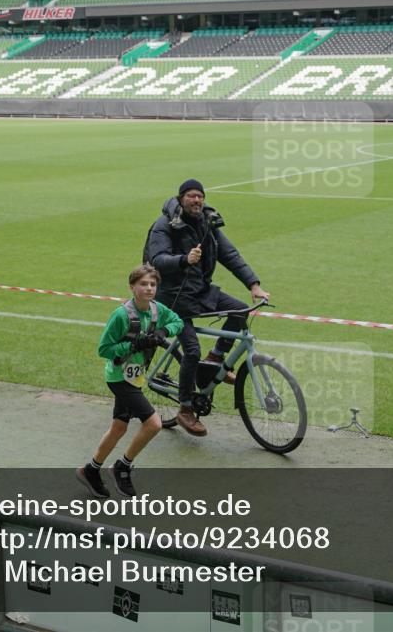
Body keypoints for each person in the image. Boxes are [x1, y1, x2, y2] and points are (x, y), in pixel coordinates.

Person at [144, 179, 269, 437]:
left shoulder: (207, 223)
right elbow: (156, 259)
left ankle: (215, 360)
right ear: (181, 198)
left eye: (200, 196)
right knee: (191, 349)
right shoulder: (164, 225)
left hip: (198, 292)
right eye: (191, 196)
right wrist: (183, 260)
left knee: (239, 311)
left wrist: (253, 284)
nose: (197, 201)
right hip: (171, 298)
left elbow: (229, 253)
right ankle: (185, 409)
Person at [78, 264, 183, 498]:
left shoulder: (158, 310)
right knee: (154, 424)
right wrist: (134, 344)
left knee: (119, 427)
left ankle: (91, 470)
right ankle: (122, 467)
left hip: (135, 378)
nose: (149, 289)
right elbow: (104, 349)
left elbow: (178, 322)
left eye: (153, 284)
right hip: (118, 378)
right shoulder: (121, 315)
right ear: (132, 287)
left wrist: (163, 333)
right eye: (143, 284)